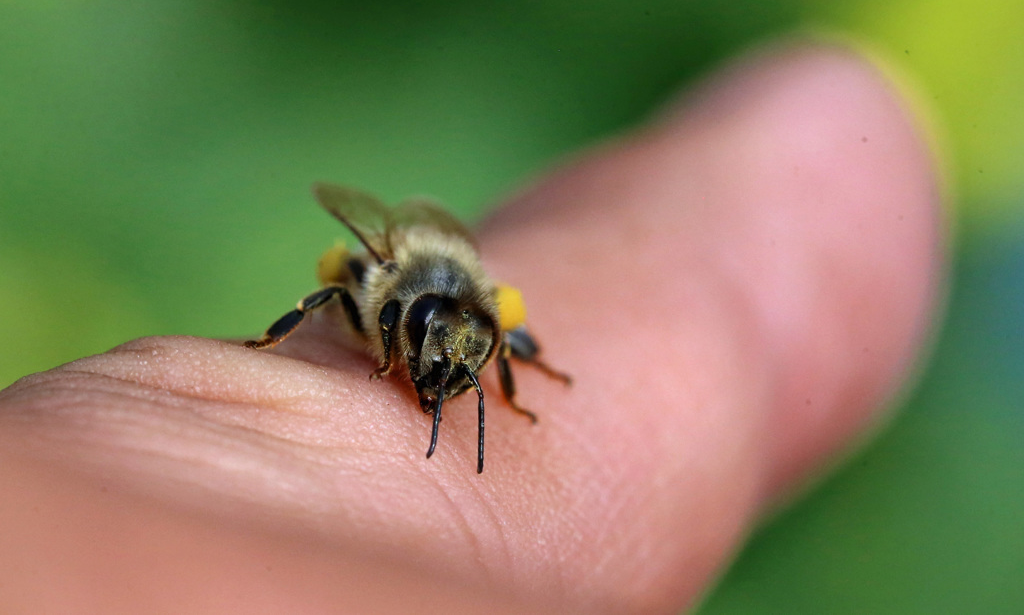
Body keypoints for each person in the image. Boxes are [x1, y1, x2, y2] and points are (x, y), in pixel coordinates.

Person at [0, 42, 943, 614]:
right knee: (341, 283)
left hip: (457, 272)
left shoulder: (477, 323)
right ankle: (267, 346)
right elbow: (367, 284)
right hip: (402, 257)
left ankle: (535, 373)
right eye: (429, 353)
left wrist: (518, 385)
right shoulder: (395, 298)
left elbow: (485, 328)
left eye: (453, 364)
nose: (432, 373)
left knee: (506, 321)